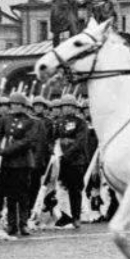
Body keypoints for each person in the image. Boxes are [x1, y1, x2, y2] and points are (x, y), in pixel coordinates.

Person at [0, 93, 39, 237]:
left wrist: (7, 150)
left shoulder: (30, 121)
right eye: (13, 104)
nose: (15, 107)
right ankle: (12, 224)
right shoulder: (4, 120)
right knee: (10, 195)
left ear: (24, 106)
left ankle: (23, 223)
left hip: (23, 161)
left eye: (19, 105)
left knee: (22, 194)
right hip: (7, 163)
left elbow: (28, 141)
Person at [53, 96, 90, 228]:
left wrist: (66, 154)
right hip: (59, 160)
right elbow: (53, 138)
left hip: (75, 160)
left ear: (75, 108)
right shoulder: (58, 122)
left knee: (75, 190)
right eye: (64, 106)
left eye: (69, 106)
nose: (66, 108)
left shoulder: (80, 123)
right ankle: (64, 214)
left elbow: (80, 142)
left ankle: (76, 216)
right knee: (61, 188)